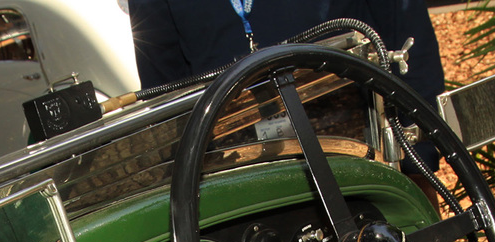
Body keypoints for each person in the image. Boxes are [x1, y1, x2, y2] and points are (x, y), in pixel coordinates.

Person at [127, 0, 444, 171]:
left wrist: (419, 166)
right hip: (240, 182)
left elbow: (409, 46)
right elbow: (168, 101)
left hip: (359, 163)